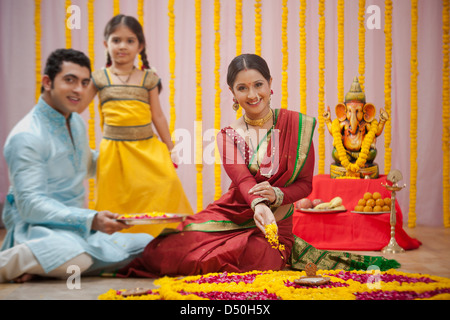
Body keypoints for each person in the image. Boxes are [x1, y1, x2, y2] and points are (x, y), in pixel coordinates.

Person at [117, 54, 400, 278]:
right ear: (233, 93)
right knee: (162, 251)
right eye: (242, 88)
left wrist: (277, 197)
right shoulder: (227, 135)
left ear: (269, 85)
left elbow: (305, 185)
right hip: (231, 214)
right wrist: (258, 205)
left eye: (257, 85)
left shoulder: (297, 126)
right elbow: (242, 180)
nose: (252, 95)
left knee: (258, 260)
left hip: (274, 226)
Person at [0, 48, 152, 283]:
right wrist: (91, 219)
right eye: (70, 80)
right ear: (47, 82)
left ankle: (42, 266)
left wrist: (140, 155)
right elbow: (30, 205)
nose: (79, 90)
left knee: (148, 244)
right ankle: (20, 261)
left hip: (78, 231)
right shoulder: (27, 136)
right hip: (40, 231)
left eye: (84, 82)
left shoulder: (75, 123)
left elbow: (88, 165)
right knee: (74, 258)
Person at [83, 14, 193, 236]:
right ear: (106, 44)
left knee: (166, 183)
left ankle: (159, 241)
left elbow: (158, 116)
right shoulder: (99, 79)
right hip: (113, 152)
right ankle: (117, 249)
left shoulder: (148, 79)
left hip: (146, 148)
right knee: (116, 201)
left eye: (130, 41)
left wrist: (170, 148)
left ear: (140, 46)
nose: (122, 46)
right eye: (116, 40)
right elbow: (76, 107)